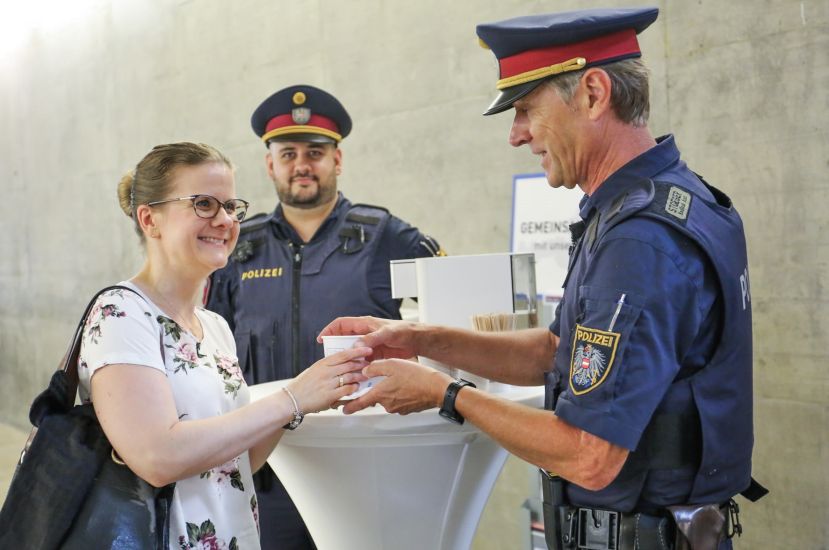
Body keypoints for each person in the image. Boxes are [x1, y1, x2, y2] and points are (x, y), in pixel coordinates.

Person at [321, 7, 766, 550]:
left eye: (527, 108)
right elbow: (559, 349)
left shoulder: (639, 240)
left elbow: (590, 454)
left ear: (594, 94)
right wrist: (421, 339)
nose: (516, 134)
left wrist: (446, 393)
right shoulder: (662, 202)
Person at [79, 142, 370, 549]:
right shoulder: (122, 313)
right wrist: (291, 398)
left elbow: (236, 464)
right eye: (203, 204)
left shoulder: (214, 326)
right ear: (150, 219)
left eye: (231, 206)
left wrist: (306, 399)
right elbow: (157, 457)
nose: (224, 220)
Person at [206, 84, 444, 549]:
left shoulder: (388, 237)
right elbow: (209, 352)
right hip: (269, 469)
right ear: (270, 164)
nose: (302, 165)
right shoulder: (236, 247)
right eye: (288, 152)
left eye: (315, 152)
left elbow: (444, 332)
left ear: (337, 160)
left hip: (363, 467)